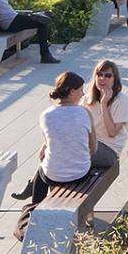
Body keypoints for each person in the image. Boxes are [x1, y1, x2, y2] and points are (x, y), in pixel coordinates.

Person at [19, 70, 107, 217]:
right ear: (72, 92)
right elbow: (93, 149)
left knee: (41, 173)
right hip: (80, 173)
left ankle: (34, 212)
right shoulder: (84, 113)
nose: (83, 94)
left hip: (53, 175)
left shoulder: (45, 115)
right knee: (45, 168)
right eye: (80, 90)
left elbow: (48, 146)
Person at [87, 59, 128, 168]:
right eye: (99, 74)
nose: (102, 78)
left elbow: (112, 132)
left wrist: (104, 105)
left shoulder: (121, 100)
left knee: (69, 155)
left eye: (108, 75)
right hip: (88, 145)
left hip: (108, 149)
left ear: (114, 79)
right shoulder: (87, 100)